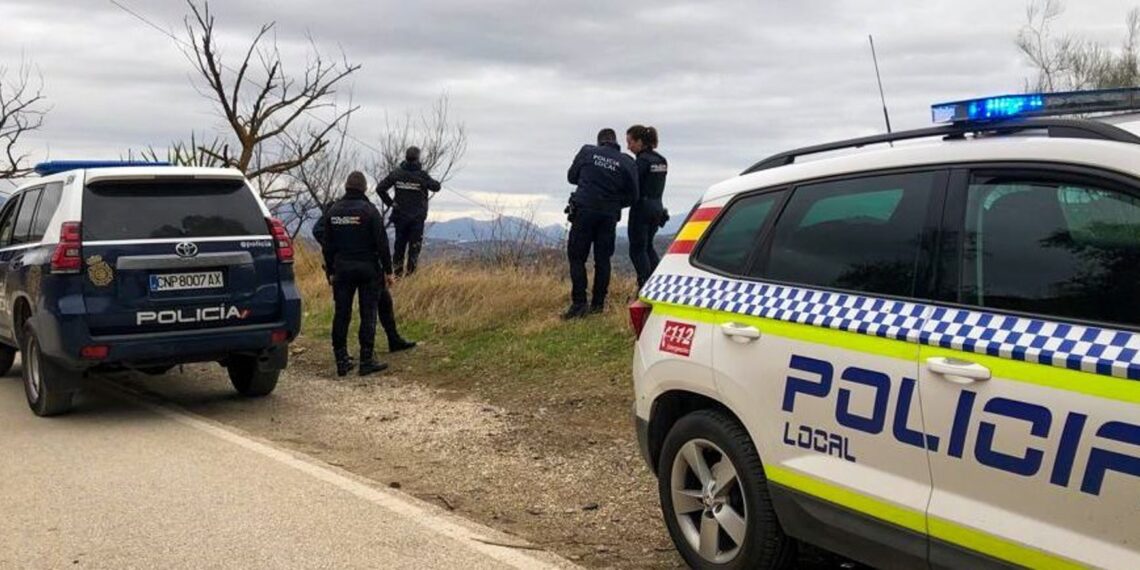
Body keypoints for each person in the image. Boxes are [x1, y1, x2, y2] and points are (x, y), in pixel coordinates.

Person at [313, 171, 393, 377]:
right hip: (368, 269)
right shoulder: (370, 210)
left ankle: (341, 360)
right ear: (364, 188)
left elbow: (327, 245)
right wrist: (388, 271)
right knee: (368, 314)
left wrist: (330, 271)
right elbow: (382, 243)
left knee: (341, 314)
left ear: (346, 187)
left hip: (342, 269)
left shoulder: (333, 211)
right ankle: (366, 360)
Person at [563, 128, 638, 319]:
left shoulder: (587, 152)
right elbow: (633, 195)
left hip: (584, 211)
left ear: (599, 141)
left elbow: (571, 177)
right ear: (615, 141)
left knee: (577, 257)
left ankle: (579, 304)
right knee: (603, 260)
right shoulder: (627, 161)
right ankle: (597, 306)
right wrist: (614, 203)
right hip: (609, 215)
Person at [376, 146, 442, 276]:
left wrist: (391, 203)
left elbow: (380, 189)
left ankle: (397, 276)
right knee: (414, 249)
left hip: (400, 217)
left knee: (399, 248)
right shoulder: (421, 175)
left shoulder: (397, 173)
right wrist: (424, 180)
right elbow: (436, 187)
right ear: (418, 158)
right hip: (417, 219)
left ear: (406, 158)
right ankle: (410, 277)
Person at [626, 125, 668, 288]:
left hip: (641, 209)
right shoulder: (661, 161)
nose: (628, 147)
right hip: (657, 208)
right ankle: (657, 285)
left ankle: (645, 286)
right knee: (648, 247)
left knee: (637, 250)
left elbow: (632, 186)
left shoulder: (641, 162)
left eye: (630, 142)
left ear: (640, 141)